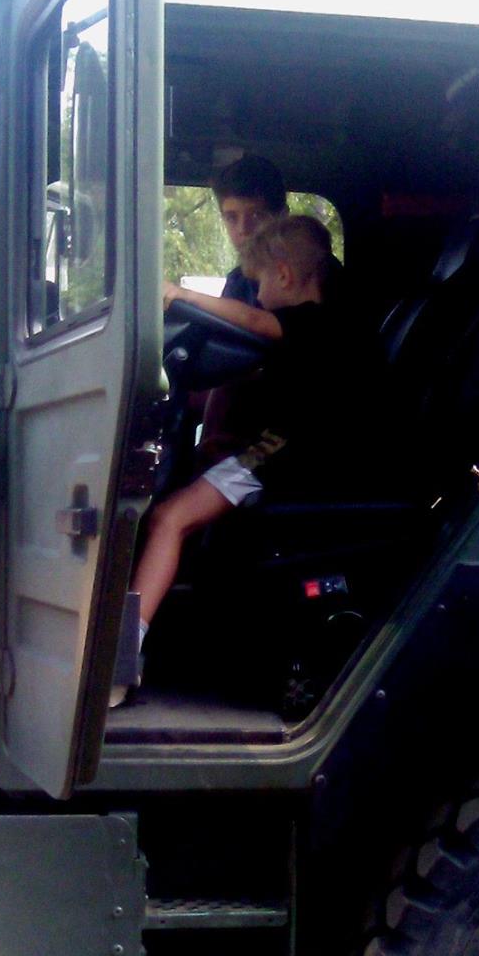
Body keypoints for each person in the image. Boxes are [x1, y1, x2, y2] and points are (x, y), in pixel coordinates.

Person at [112, 214, 345, 703]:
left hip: (286, 456)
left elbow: (256, 322)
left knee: (170, 518)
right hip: (284, 451)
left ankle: (120, 660)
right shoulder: (320, 331)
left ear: (284, 276)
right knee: (183, 501)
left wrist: (182, 295)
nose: (256, 295)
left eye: (259, 283)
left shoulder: (310, 322)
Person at [211, 154, 289, 307]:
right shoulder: (238, 281)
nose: (243, 229)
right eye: (231, 218)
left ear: (283, 217)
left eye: (256, 216)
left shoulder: (313, 273)